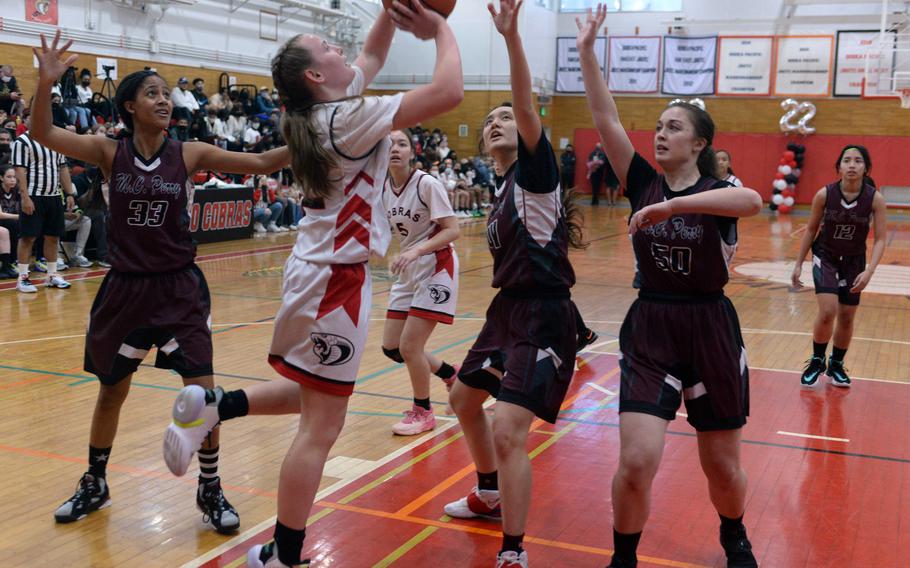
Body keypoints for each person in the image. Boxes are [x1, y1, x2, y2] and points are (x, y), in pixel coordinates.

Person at [160, 4, 463, 566]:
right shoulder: (346, 120)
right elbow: (448, 92)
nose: (341, 49)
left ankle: (212, 405)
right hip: (333, 280)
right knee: (323, 424)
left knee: (318, 397)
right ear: (316, 77)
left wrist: (394, 14)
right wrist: (442, 27)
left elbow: (370, 54)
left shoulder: (336, 108)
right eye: (327, 47)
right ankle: (285, 554)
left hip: (323, 272)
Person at [29, 30, 290, 532]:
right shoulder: (108, 151)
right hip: (125, 288)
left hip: (178, 288)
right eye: (152, 93)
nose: (164, 100)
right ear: (129, 105)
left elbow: (261, 162)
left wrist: (313, 134)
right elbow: (44, 134)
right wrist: (46, 84)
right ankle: (96, 482)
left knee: (203, 392)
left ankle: (210, 489)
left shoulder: (190, 153)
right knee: (111, 392)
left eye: (166, 93)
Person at [577, 6, 763, 568]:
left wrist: (673, 206)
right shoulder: (640, 179)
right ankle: (624, 558)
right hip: (652, 325)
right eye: (657, 126)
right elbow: (606, 117)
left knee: (722, 466)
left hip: (709, 325)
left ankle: (735, 536)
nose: (660, 134)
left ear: (700, 142)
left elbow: (752, 202)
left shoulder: (718, 189)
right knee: (636, 461)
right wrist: (587, 50)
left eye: (673, 127)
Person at [441, 3, 585, 567]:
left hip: (544, 314)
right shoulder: (499, 190)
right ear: (482, 144)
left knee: (509, 431)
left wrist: (512, 38)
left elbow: (526, 107)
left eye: (506, 117)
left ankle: (513, 552)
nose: (498, 121)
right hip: (508, 310)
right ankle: (489, 493)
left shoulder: (534, 175)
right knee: (462, 398)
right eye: (489, 120)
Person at [381, 129, 461, 435]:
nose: (395, 149)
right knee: (393, 348)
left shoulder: (427, 183)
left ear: (412, 151)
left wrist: (416, 250)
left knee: (410, 345)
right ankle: (451, 374)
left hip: (436, 265)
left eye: (402, 144)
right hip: (408, 267)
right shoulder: (384, 187)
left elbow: (452, 230)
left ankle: (423, 412)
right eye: (389, 145)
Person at [791, 145, 887, 388]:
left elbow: (881, 239)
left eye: (858, 161)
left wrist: (869, 270)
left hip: (855, 260)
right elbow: (811, 229)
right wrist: (798, 264)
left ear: (866, 168)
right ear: (839, 167)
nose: (852, 165)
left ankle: (836, 365)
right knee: (828, 310)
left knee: (846, 316)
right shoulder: (824, 195)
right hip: (826, 256)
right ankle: (816, 361)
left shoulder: (874, 198)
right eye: (847, 160)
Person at [12, 120, 77, 293]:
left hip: (54, 196)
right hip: (33, 195)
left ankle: (51, 274)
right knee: (28, 237)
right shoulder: (22, 141)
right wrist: (25, 197)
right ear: (27, 120)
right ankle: (23, 278)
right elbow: (19, 171)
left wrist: (69, 193)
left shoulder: (55, 142)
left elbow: (62, 168)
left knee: (53, 237)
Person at [0, 164, 20, 278]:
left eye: (14, 177)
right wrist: (18, 217)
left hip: (11, 221)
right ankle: (10, 262)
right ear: (1, 178)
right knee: (12, 224)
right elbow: (0, 215)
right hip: (4, 221)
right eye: (9, 177)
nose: (13, 180)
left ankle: (40, 258)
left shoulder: (17, 191)